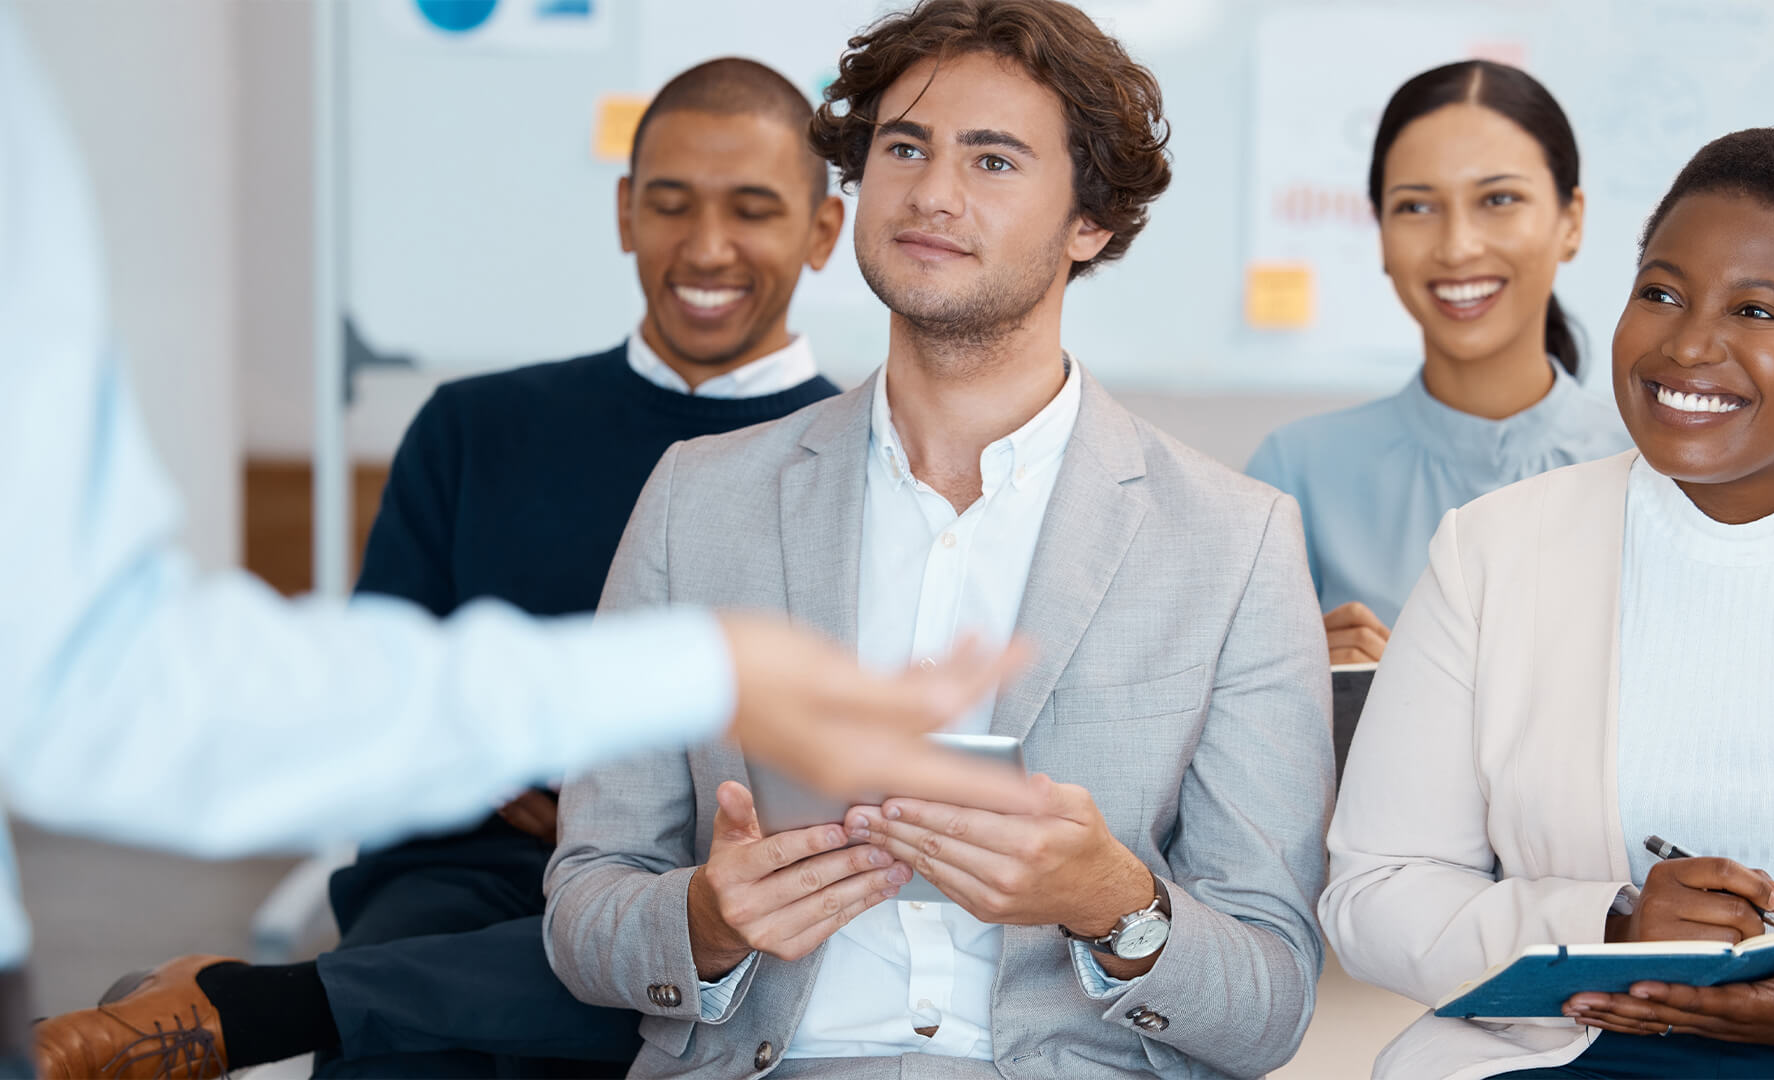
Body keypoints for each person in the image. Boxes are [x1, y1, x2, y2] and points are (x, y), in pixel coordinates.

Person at [0, 11, 1034, 1074]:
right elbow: (371, 666)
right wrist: (530, 788)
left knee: (666, 958)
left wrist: (621, 827)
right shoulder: (475, 428)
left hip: (705, 867)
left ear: (821, 233)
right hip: (470, 853)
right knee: (463, 981)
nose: (707, 247)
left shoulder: (867, 454)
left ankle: (263, 1010)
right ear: (626, 214)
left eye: (754, 211)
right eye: (670, 204)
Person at [544, 2, 1335, 1076]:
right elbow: (583, 909)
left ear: (1088, 220)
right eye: (904, 147)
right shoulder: (698, 501)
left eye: (994, 160)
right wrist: (707, 919)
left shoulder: (1234, 543)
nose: (932, 193)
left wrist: (1113, 905)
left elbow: (1271, 1001)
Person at [1322, 127, 1774, 1079]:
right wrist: (1613, 919)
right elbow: (1377, 894)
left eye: (1757, 310)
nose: (1688, 345)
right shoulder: (1492, 550)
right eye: (1662, 293)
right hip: (1562, 1053)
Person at [1246, 61, 1629, 664]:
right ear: (1380, 233)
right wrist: (1292, 679)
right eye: (1417, 208)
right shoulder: (1295, 478)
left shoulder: (1657, 470)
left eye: (1499, 199)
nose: (1456, 247)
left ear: (1571, 221)